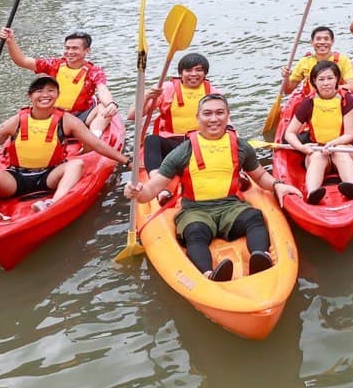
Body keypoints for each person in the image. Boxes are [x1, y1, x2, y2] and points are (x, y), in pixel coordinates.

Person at [124, 94, 298, 282]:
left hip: (231, 206)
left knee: (254, 218)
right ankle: (209, 273)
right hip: (196, 210)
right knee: (195, 231)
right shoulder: (183, 151)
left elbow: (260, 176)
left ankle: (260, 257)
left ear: (227, 116)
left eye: (219, 113)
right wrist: (137, 193)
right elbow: (151, 190)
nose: (214, 119)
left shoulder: (241, 147)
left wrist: (277, 185)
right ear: (198, 118)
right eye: (207, 114)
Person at [0, 75, 129, 221]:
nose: (45, 95)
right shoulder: (16, 121)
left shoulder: (67, 121)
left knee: (76, 165)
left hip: (50, 175)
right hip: (16, 177)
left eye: (51, 91)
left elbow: (97, 145)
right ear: (30, 96)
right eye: (39, 91)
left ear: (57, 95)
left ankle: (53, 203)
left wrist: (126, 161)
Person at [128, 53, 221, 208]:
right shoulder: (167, 89)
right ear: (180, 73)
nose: (193, 74)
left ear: (205, 73)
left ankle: (238, 174)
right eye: (188, 70)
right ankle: (159, 187)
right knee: (152, 140)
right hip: (173, 144)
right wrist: (146, 97)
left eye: (198, 70)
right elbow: (132, 116)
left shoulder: (213, 92)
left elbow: (225, 121)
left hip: (201, 144)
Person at [279, 60, 353, 205]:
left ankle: (351, 187)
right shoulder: (308, 103)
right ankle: (313, 193)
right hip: (318, 149)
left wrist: (333, 144)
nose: (326, 83)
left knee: (339, 152)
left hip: (344, 148)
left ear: (337, 79)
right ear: (314, 82)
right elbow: (289, 133)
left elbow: (349, 134)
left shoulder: (347, 100)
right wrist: (302, 148)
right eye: (321, 79)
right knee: (317, 156)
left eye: (330, 78)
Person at [0, 27, 116, 127]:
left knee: (103, 107)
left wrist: (111, 104)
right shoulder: (54, 64)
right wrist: (10, 41)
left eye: (75, 48)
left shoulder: (94, 71)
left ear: (87, 51)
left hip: (81, 115)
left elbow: (102, 89)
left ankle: (95, 139)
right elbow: (23, 61)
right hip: (54, 114)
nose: (69, 52)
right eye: (67, 48)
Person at [282, 26, 353, 95]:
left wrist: (327, 89)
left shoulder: (343, 60)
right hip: (313, 101)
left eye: (326, 39)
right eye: (318, 39)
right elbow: (287, 90)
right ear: (311, 42)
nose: (322, 42)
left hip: (337, 98)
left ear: (332, 41)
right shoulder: (304, 62)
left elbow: (352, 87)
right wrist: (286, 77)